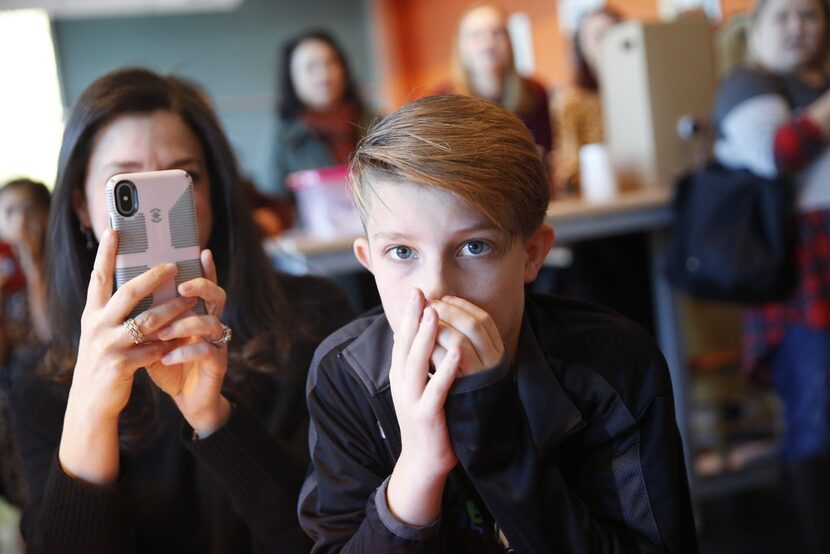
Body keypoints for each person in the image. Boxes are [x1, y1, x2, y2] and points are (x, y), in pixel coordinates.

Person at [298, 95, 697, 552]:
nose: (435, 290)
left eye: (474, 248)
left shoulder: (613, 367)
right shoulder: (345, 376)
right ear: (369, 261)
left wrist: (495, 441)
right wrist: (419, 468)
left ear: (532, 253)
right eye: (402, 253)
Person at [9, 67, 353, 554]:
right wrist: (90, 409)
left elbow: (336, 538)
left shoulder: (311, 318)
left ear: (214, 194)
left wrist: (214, 417)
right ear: (82, 209)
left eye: (183, 177)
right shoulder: (41, 383)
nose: (155, 214)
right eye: (126, 185)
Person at [712, 0, 830, 550]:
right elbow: (775, 153)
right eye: (780, 16)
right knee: (816, 411)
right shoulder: (747, 83)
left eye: (808, 14)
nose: (796, 27)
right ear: (754, 30)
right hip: (801, 268)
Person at [546, 6, 654, 335]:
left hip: (648, 213)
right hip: (599, 223)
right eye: (596, 37)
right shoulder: (572, 101)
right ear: (582, 48)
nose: (605, 43)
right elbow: (568, 170)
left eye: (612, 34)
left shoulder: (648, 90)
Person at [264, 29, 372, 201]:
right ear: (292, 79)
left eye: (331, 62)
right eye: (310, 67)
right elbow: (277, 202)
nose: (324, 75)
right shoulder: (284, 138)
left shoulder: (377, 123)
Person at [440, 4, 552, 158]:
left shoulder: (535, 92)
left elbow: (545, 155)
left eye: (497, 33)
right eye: (476, 35)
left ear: (510, 42)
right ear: (460, 46)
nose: (488, 44)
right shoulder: (442, 102)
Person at [0, 177, 51, 510]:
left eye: (29, 210)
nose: (19, 221)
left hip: (50, 388)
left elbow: (51, 337)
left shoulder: (60, 263)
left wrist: (33, 264)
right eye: (9, 211)